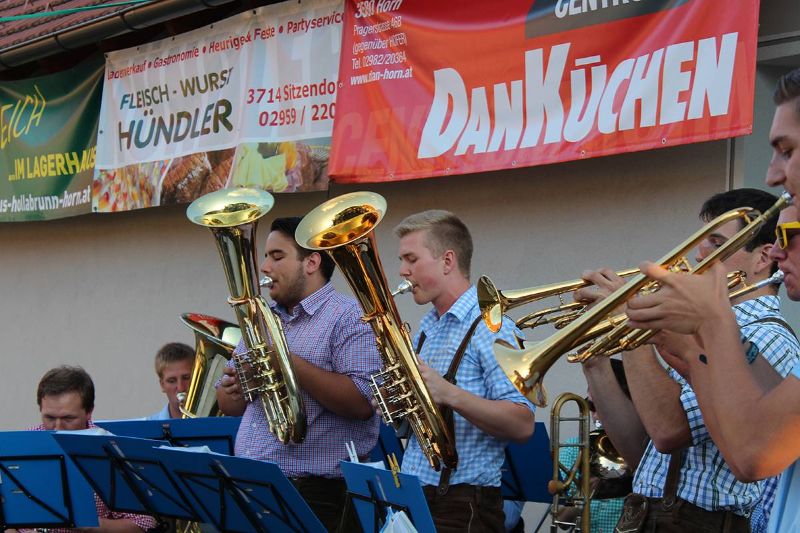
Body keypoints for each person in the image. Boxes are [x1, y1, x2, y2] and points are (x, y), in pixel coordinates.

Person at [622, 69, 800, 532]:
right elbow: (644, 442)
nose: (773, 173)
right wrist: (610, 353)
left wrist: (698, 329)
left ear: (762, 257)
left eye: (788, 150)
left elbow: (746, 451)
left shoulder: (767, 333)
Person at [577, 188, 800, 533]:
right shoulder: (701, 330)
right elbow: (642, 449)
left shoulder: (766, 337)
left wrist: (630, 321)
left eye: (715, 243)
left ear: (762, 258)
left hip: (697, 523)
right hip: (650, 515)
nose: (699, 254)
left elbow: (669, 430)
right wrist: (596, 362)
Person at [215, 216, 382, 532]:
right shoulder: (262, 320)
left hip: (315, 495)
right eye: (265, 257)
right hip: (252, 484)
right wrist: (232, 387)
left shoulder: (348, 318)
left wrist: (287, 362)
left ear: (312, 262)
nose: (264, 267)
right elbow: (230, 405)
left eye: (277, 257)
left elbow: (362, 402)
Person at [394, 209, 536, 532]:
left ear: (447, 261)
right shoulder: (427, 329)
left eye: (411, 259)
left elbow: (523, 422)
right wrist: (397, 403)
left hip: (462, 508)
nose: (403, 271)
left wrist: (450, 394)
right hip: (417, 498)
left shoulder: (493, 327)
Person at [19, 366, 156, 533]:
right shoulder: (22, 444)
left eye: (68, 418)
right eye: (49, 418)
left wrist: (91, 526)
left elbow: (143, 524)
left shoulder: (110, 448)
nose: (57, 427)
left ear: (89, 411)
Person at [556, 359, 631, 533]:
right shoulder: (571, 450)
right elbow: (562, 522)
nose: (596, 416)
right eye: (591, 406)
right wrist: (584, 491)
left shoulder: (648, 451)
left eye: (604, 406)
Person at [146, 342, 195, 420]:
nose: (180, 388)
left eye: (186, 378)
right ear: (162, 385)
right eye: (172, 381)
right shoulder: (147, 429)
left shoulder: (215, 425)